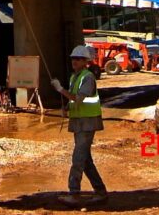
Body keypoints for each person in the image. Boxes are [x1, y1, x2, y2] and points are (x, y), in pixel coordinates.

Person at [51, 45, 107, 204]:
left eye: (78, 59)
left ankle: (74, 193)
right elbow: (73, 99)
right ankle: (100, 191)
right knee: (85, 160)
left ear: (85, 61)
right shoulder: (75, 77)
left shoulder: (87, 77)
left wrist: (60, 89)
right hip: (80, 123)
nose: (74, 61)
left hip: (88, 123)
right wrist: (67, 107)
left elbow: (80, 98)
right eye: (73, 58)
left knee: (78, 158)